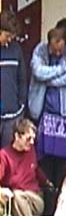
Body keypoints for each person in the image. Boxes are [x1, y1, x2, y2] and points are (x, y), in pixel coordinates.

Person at [29, 27, 66, 216]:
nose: (58, 53)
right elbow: (38, 72)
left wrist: (51, 80)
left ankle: (61, 204)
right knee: (45, 160)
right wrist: (60, 70)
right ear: (49, 44)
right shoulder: (40, 50)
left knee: (65, 160)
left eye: (61, 50)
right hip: (46, 113)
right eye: (54, 50)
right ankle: (47, 205)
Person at [0, 119, 52, 216]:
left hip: (34, 199)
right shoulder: (4, 155)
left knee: (18, 195)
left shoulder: (31, 151)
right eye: (28, 138)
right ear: (17, 136)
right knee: (11, 198)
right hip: (14, 201)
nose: (32, 142)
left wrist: (47, 183)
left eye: (33, 139)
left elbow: (35, 170)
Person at [0, 10, 27, 149]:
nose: (9, 39)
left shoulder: (16, 50)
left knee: (9, 154)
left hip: (12, 115)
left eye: (12, 36)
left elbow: (22, 79)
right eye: (7, 36)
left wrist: (21, 104)